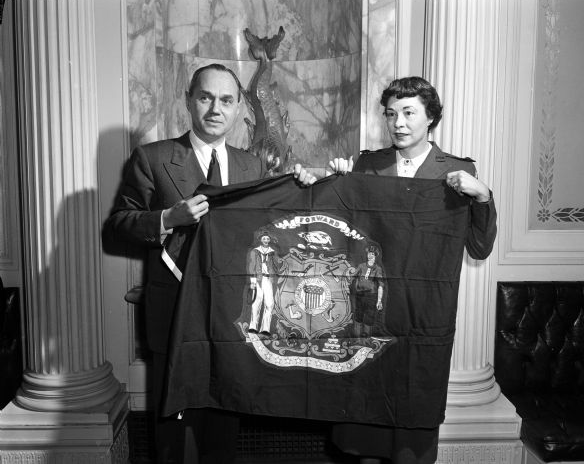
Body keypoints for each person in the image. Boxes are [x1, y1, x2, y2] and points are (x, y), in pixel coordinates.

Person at [103, 63, 333, 464]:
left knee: (222, 433)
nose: (215, 108)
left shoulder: (252, 166)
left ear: (239, 106)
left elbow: (274, 230)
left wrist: (308, 185)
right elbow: (117, 227)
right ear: (189, 100)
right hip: (174, 315)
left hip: (232, 318)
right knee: (174, 434)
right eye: (206, 97)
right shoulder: (153, 159)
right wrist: (166, 219)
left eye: (226, 100)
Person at [331, 76, 497, 464]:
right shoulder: (367, 165)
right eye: (391, 114)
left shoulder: (458, 169)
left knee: (412, 425)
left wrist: (483, 196)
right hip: (371, 313)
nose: (398, 123)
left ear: (431, 118)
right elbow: (344, 239)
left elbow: (480, 247)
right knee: (365, 430)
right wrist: (335, 184)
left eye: (409, 113)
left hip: (423, 319)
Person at [247, 230, 283, 336]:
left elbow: (277, 265)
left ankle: (265, 328)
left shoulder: (272, 252)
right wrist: (252, 281)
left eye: (268, 239)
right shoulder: (255, 251)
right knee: (256, 302)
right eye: (264, 238)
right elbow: (251, 266)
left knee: (269, 304)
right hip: (257, 279)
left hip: (268, 279)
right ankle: (253, 326)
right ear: (260, 239)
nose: (266, 240)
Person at [350, 245, 384, 342]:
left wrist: (379, 300)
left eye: (372, 254)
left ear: (375, 255)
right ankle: (356, 339)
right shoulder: (361, 266)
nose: (370, 255)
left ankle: (366, 341)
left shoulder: (377, 269)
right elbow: (352, 276)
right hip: (360, 295)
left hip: (371, 296)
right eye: (369, 253)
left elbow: (380, 285)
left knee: (369, 318)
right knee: (358, 316)